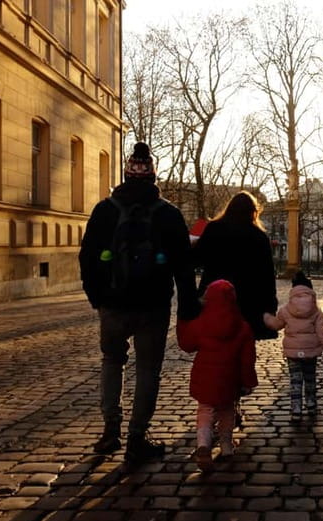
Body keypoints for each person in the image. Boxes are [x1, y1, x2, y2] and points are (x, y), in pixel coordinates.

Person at [79, 142, 200, 470]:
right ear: (153, 175)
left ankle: (109, 431)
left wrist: (96, 296)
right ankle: (136, 439)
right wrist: (188, 306)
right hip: (153, 305)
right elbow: (183, 266)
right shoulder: (168, 213)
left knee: (111, 361)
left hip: (113, 304)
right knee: (148, 370)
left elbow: (88, 255)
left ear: (126, 173)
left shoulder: (105, 209)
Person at [176, 279, 258, 472]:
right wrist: (247, 382)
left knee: (205, 410)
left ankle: (203, 445)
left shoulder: (201, 323)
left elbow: (187, 345)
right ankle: (226, 446)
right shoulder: (243, 327)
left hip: (205, 379)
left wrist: (182, 322)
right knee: (227, 411)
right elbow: (247, 360)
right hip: (229, 380)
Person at [193, 191, 278, 341]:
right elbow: (267, 275)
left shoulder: (214, 228)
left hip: (215, 295)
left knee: (214, 343)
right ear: (253, 212)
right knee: (243, 346)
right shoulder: (258, 236)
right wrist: (270, 308)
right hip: (249, 300)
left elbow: (196, 259)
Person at [264, 271, 323, 420]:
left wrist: (266, 318)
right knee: (310, 379)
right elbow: (322, 333)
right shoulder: (317, 312)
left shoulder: (285, 310)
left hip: (293, 353)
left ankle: (296, 409)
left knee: (295, 380)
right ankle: (311, 405)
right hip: (310, 352)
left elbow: (276, 325)